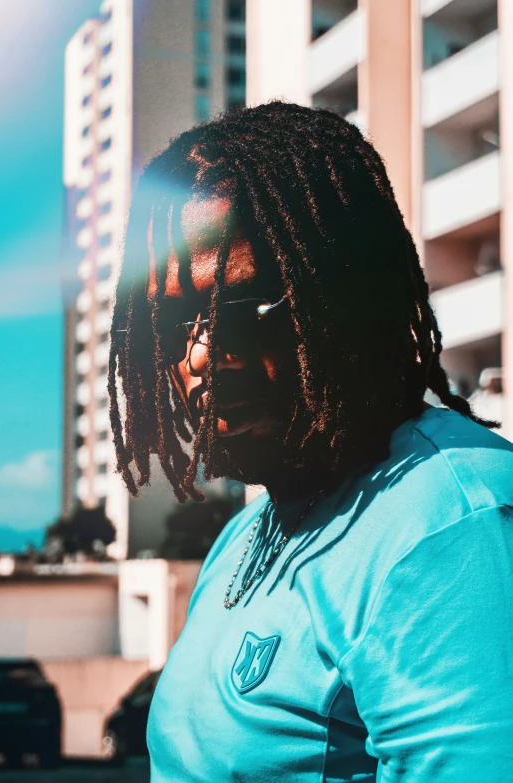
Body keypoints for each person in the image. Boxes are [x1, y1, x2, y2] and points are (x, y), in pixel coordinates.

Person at [108, 102, 513, 782]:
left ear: (347, 295)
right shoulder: (245, 537)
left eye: (250, 306)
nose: (205, 352)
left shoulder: (453, 526)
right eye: (177, 320)